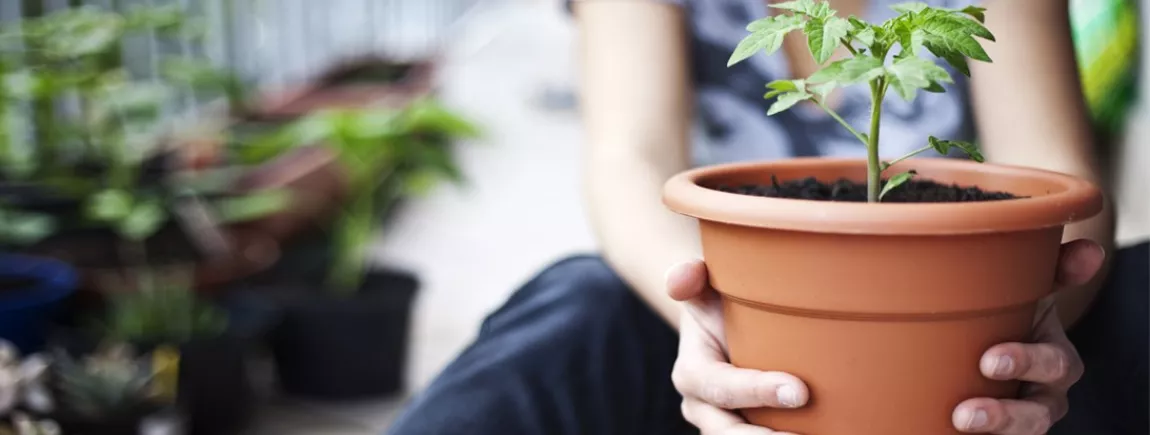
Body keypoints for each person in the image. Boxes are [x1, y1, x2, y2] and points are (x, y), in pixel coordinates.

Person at [387, 1, 1119, 434]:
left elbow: (1060, 183)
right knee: (578, 305)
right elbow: (630, 160)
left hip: (963, 341)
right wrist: (717, 325)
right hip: (724, 314)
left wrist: (1028, 325)